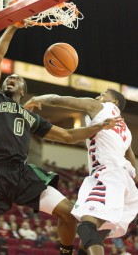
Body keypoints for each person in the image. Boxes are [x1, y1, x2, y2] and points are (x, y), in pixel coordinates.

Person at [0, 25, 121, 255]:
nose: (10, 80)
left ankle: (65, 251)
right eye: (8, 78)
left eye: (16, 79)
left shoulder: (30, 116)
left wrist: (97, 127)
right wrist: (12, 27)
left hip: (20, 174)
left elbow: (68, 135)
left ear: (23, 89)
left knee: (69, 214)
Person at [25, 89, 138, 255]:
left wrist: (36, 98)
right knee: (87, 245)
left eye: (104, 94)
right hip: (125, 185)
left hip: (109, 177)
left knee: (86, 227)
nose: (99, 96)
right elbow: (131, 158)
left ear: (114, 103)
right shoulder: (126, 130)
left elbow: (58, 100)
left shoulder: (100, 107)